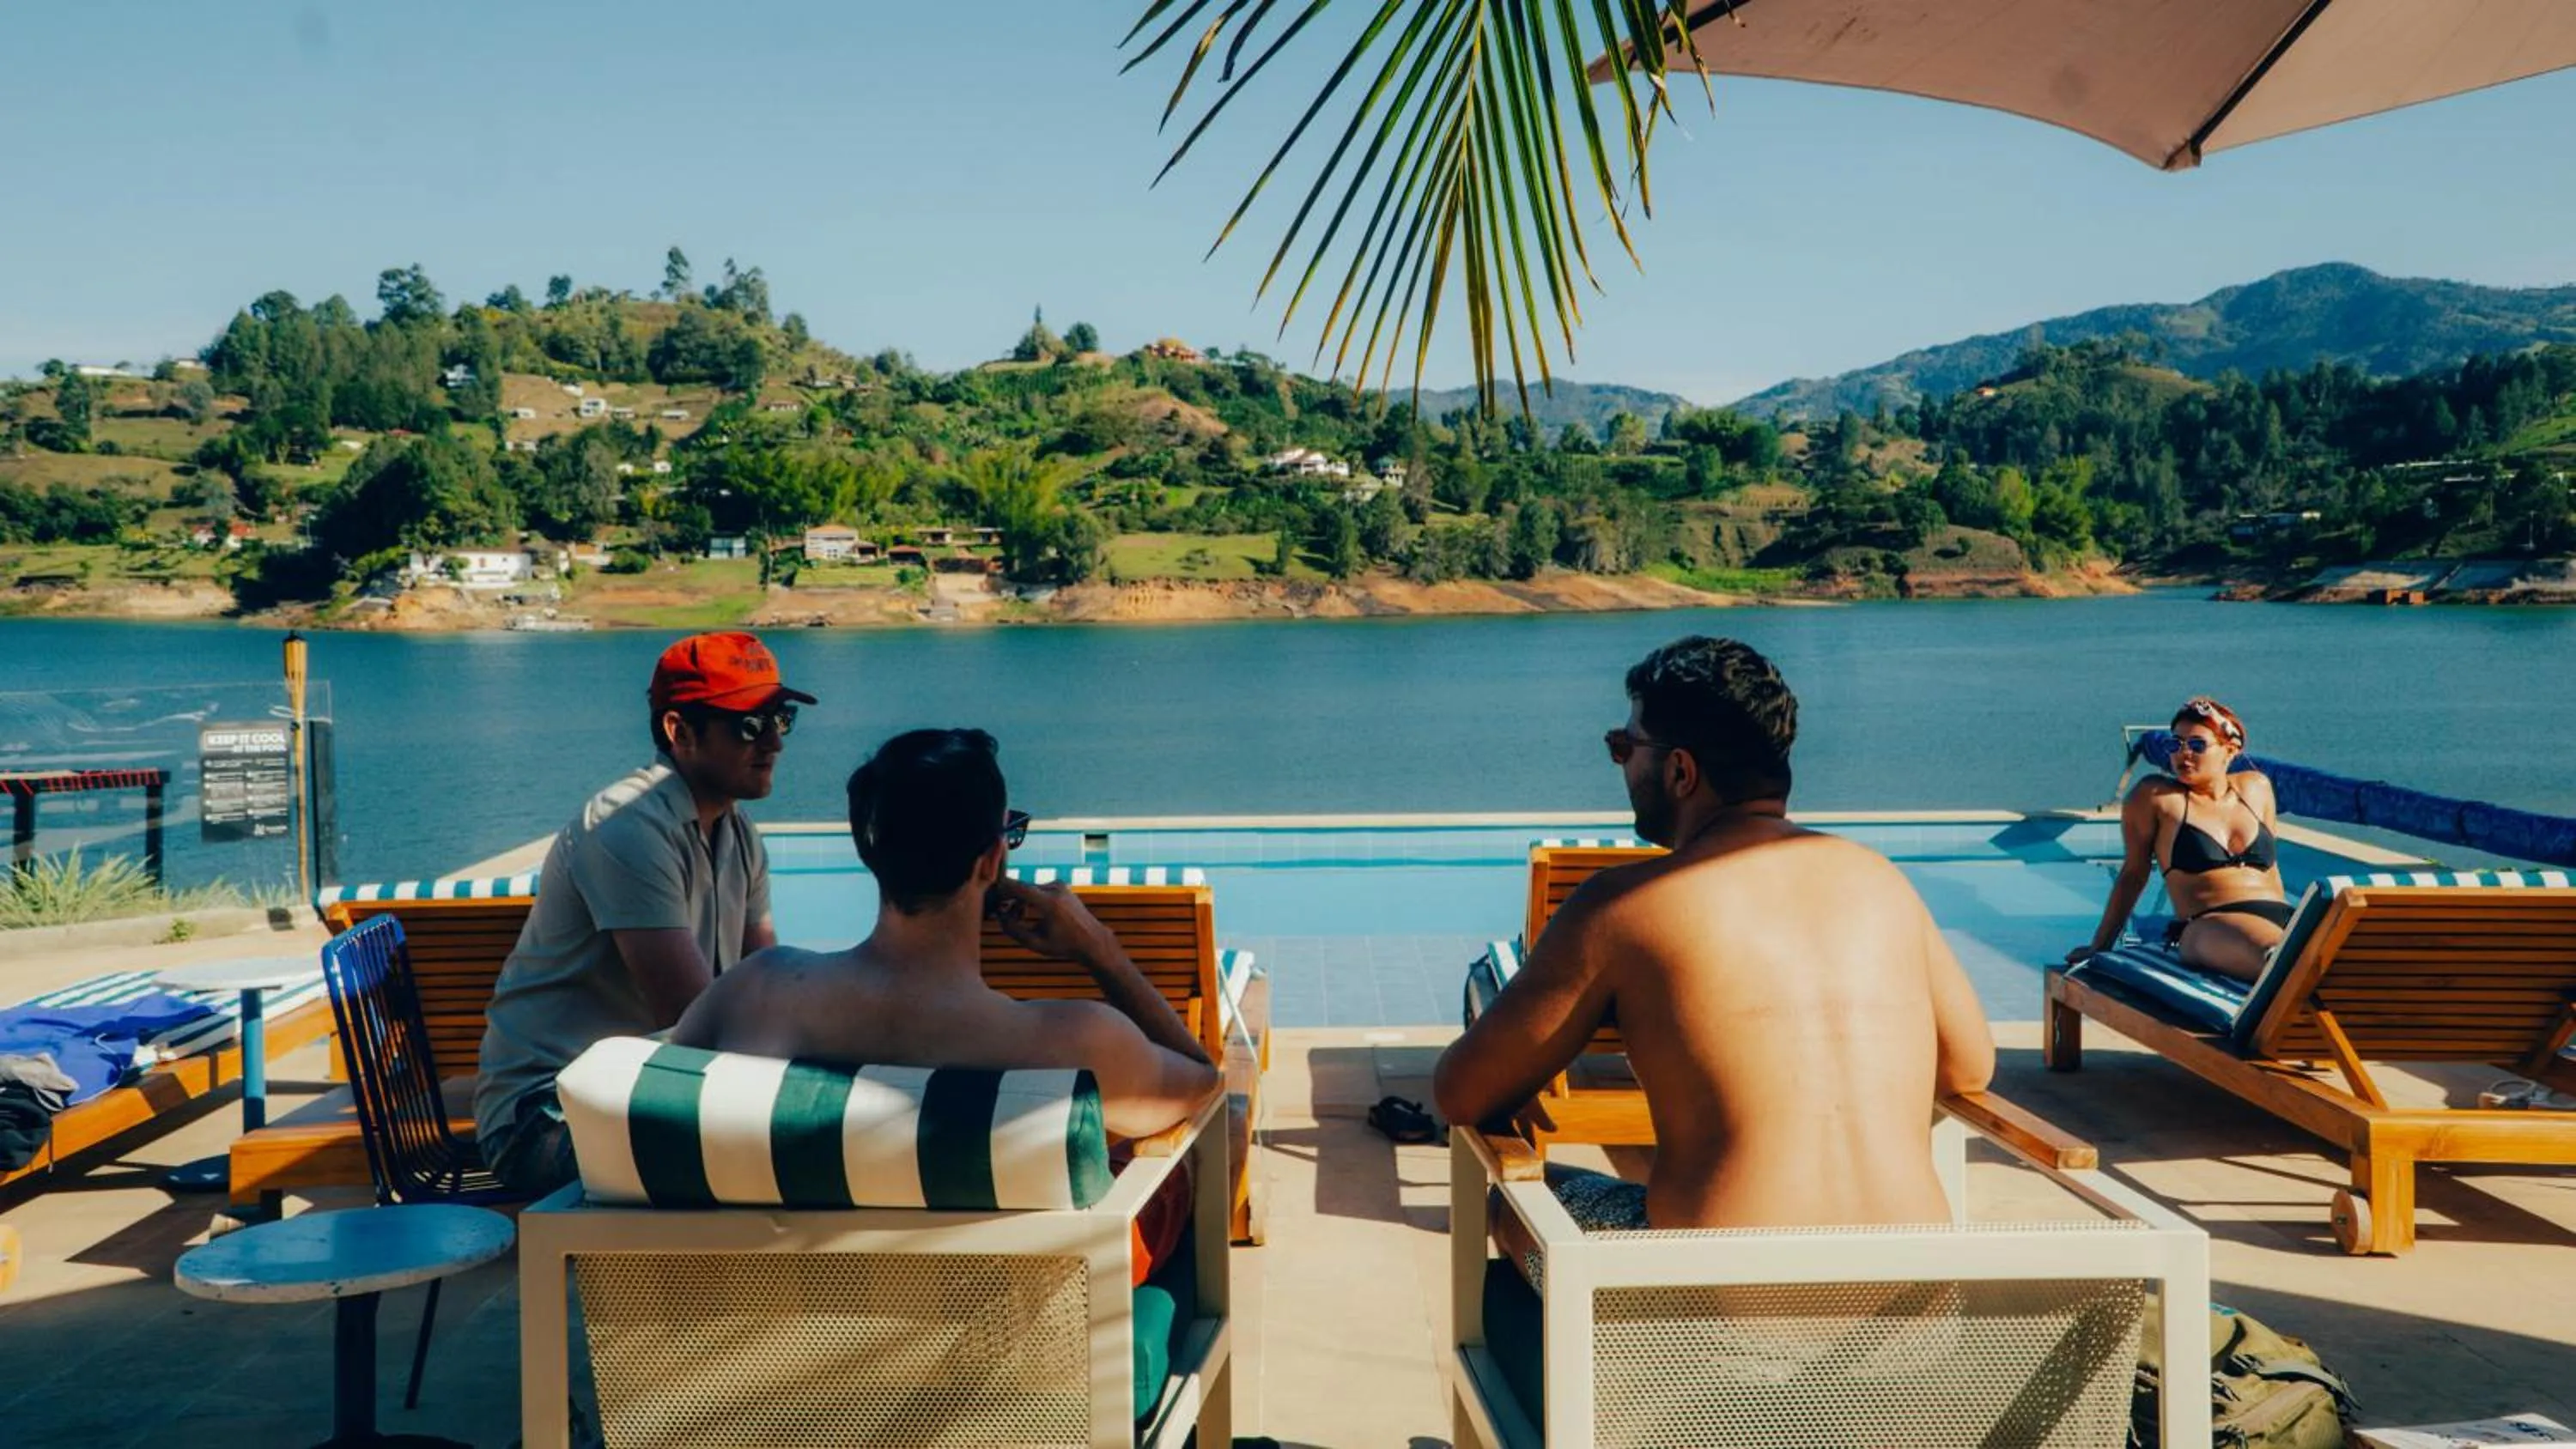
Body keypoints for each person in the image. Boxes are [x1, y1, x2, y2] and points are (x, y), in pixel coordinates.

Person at [1433, 635, 1996, 1246]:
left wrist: (1515, 1080)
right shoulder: (1880, 881)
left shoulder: (1624, 906)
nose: (1621, 765)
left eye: (1623, 747)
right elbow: (1969, 1067)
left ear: (1680, 771)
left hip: (1712, 1291)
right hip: (1913, 1284)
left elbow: (1461, 1093)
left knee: (1512, 1206)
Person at [672, 728, 1219, 1141]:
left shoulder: (754, 992)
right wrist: (1102, 953)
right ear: (991, 859)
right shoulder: (1075, 1042)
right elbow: (1201, 1082)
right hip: (991, 1268)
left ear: (868, 851)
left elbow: (659, 1092)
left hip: (776, 1265)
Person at [475, 631, 814, 1198]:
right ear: (680, 731)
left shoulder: (738, 834)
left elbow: (769, 985)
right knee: (781, 1157)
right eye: (749, 725)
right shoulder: (626, 827)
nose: (774, 742)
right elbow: (693, 1018)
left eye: (782, 719)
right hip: (547, 1116)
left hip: (646, 1092)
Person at [2071, 696, 2289, 982]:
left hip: (2279, 916)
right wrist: (2100, 946)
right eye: (2175, 744)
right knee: (2282, 957)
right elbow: (2133, 875)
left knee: (2337, 949)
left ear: (2230, 750)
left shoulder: (2256, 788)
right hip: (2208, 926)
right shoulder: (2156, 798)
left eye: (2197, 745)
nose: (2183, 753)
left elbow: (2272, 870)